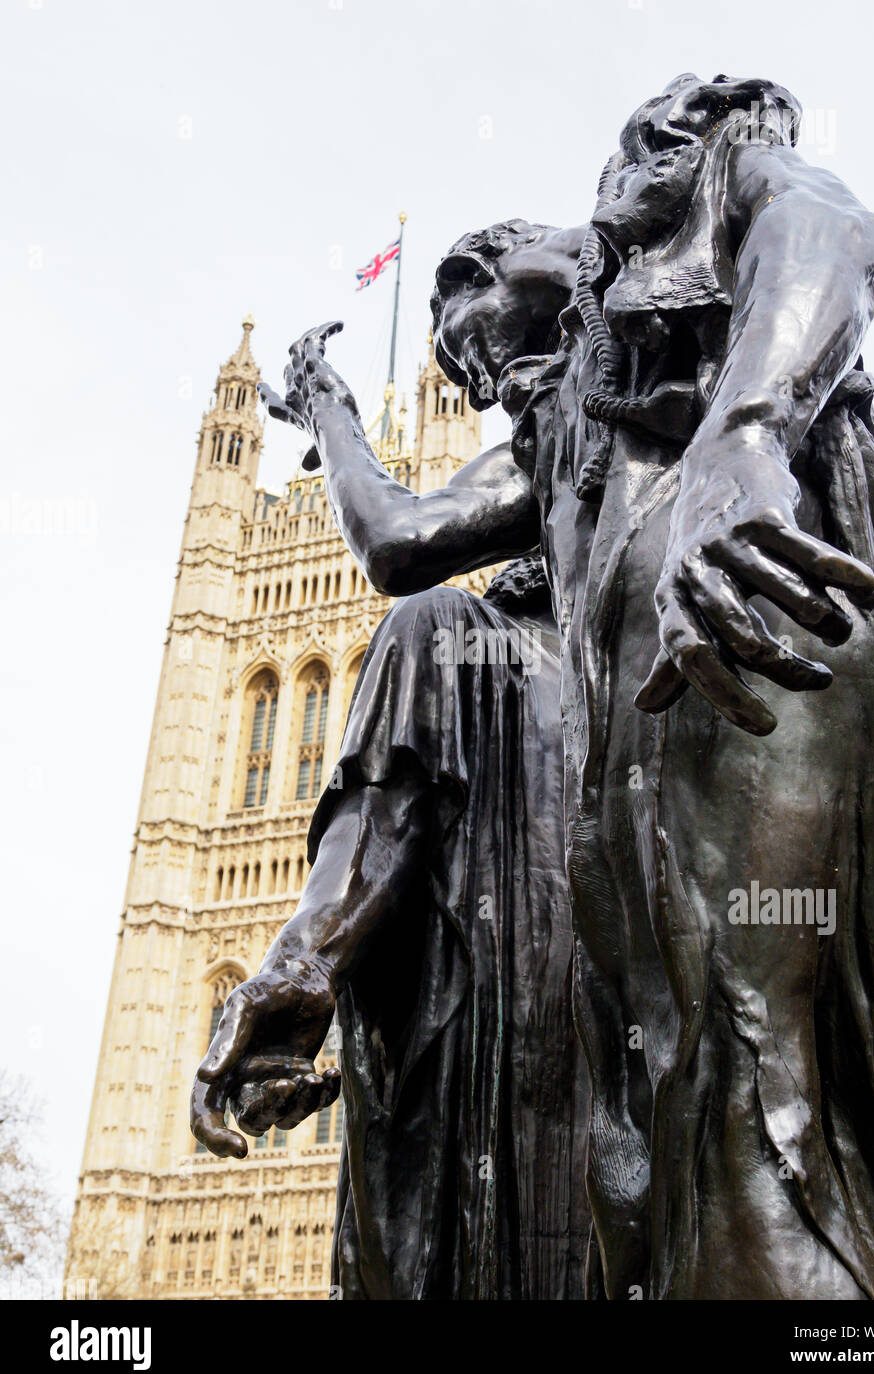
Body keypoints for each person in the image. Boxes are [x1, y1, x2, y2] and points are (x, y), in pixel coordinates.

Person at [251, 75, 874, 1298]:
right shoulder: (572, 414)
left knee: (763, 1113)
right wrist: (329, 413)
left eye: (482, 294)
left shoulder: (714, 196)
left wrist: (743, 432)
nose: (471, 343)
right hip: (634, 771)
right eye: (461, 349)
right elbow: (400, 540)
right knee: (649, 1156)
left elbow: (839, 236)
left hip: (755, 663)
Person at [192, 226, 593, 1299]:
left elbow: (400, 544)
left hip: (553, 792)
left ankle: (302, 972)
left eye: (496, 362)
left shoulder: (587, 427)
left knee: (422, 626)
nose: (499, 391)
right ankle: (308, 972)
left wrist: (329, 409)